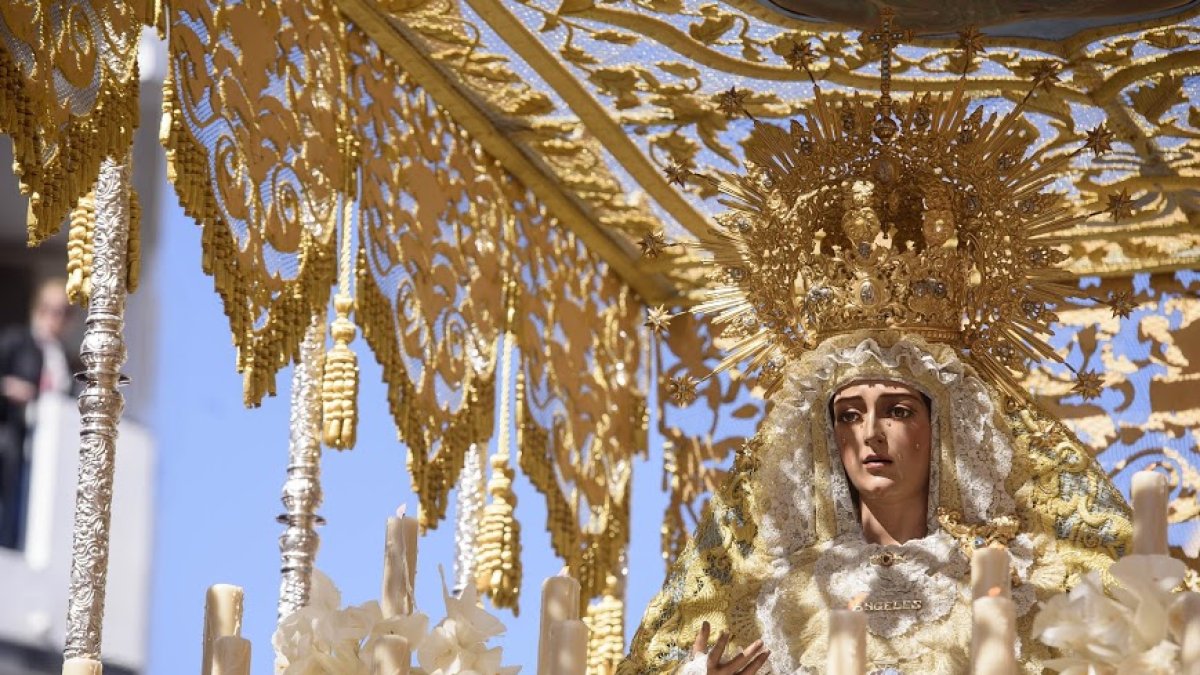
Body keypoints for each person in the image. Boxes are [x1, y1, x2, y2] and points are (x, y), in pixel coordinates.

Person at [0, 278, 74, 549]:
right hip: (11, 443)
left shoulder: (64, 361)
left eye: (65, 312)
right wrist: (7, 387)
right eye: (50, 309)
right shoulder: (15, 341)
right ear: (37, 309)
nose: (56, 318)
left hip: (43, 453)